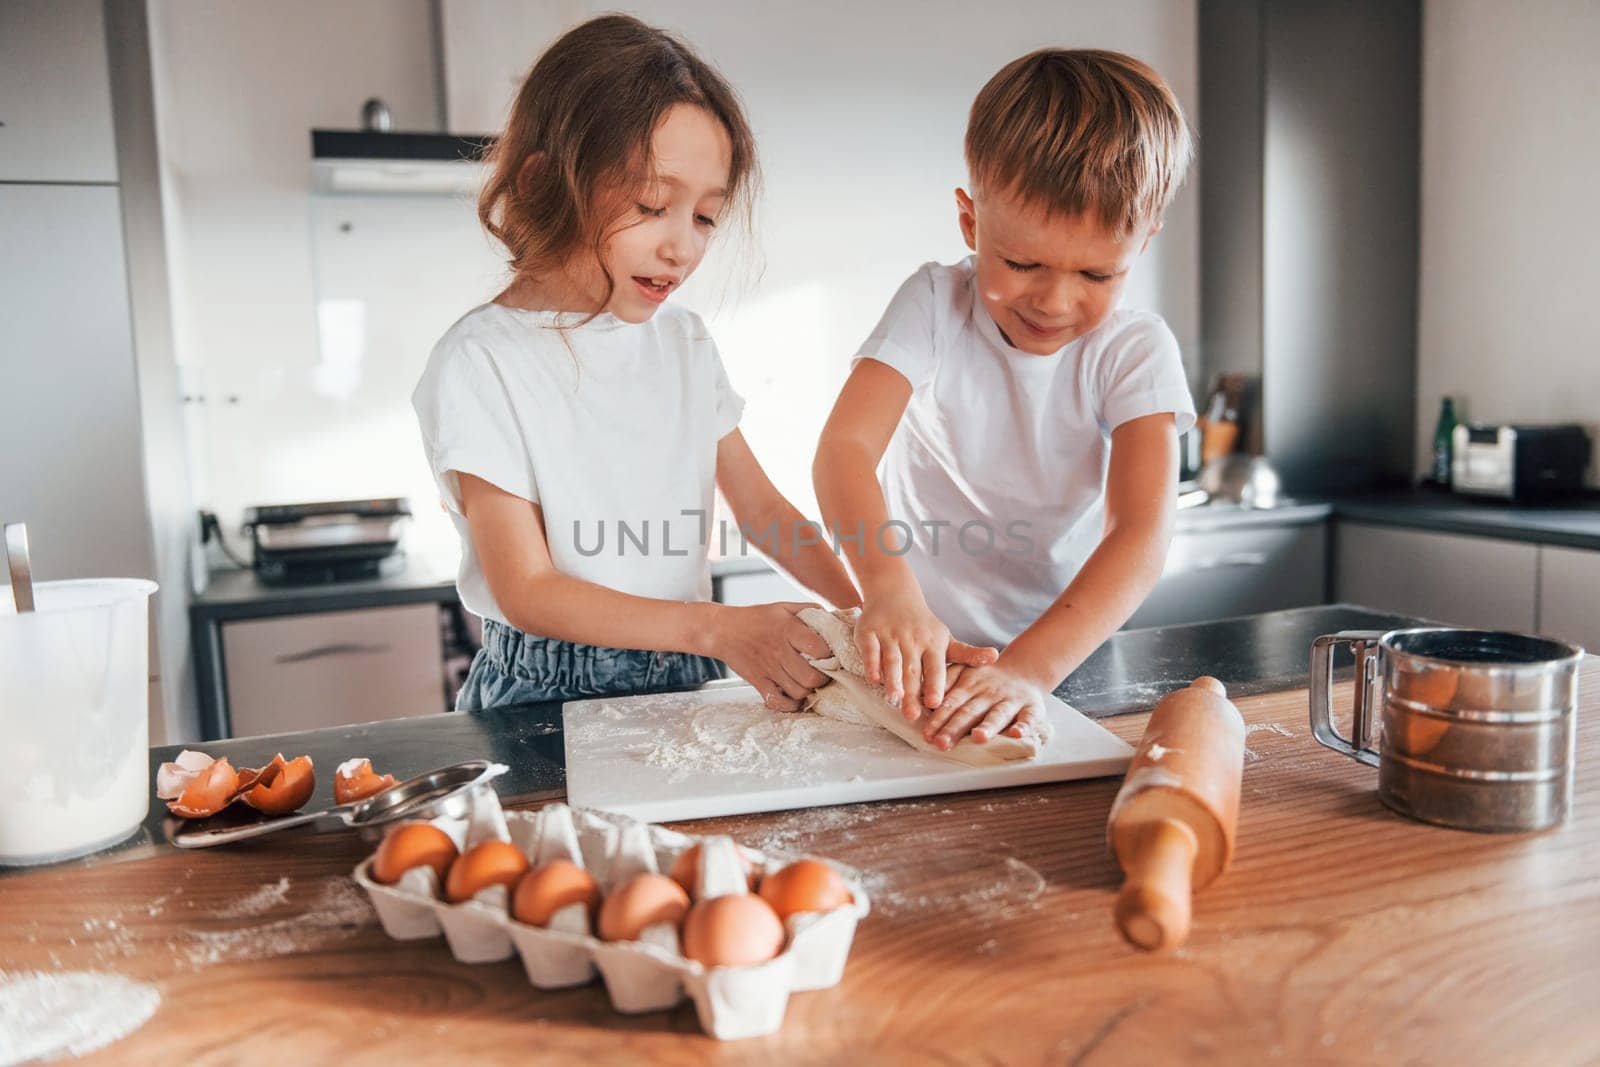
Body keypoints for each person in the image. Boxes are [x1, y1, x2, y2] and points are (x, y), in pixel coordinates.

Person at [414, 15, 870, 711]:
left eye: (705, 217)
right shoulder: (482, 361)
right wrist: (720, 629)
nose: (682, 247)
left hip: (685, 674)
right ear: (544, 185)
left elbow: (763, 510)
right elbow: (527, 589)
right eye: (653, 205)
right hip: (541, 695)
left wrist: (864, 616)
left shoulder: (682, 341)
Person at [814, 48, 1196, 750]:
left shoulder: (1135, 351)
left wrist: (1028, 669)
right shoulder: (933, 303)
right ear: (970, 223)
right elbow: (845, 450)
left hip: (1064, 652)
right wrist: (889, 592)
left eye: (1096, 273)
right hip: (922, 647)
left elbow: (1140, 535)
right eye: (1022, 263)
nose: (1054, 300)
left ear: (1144, 243)